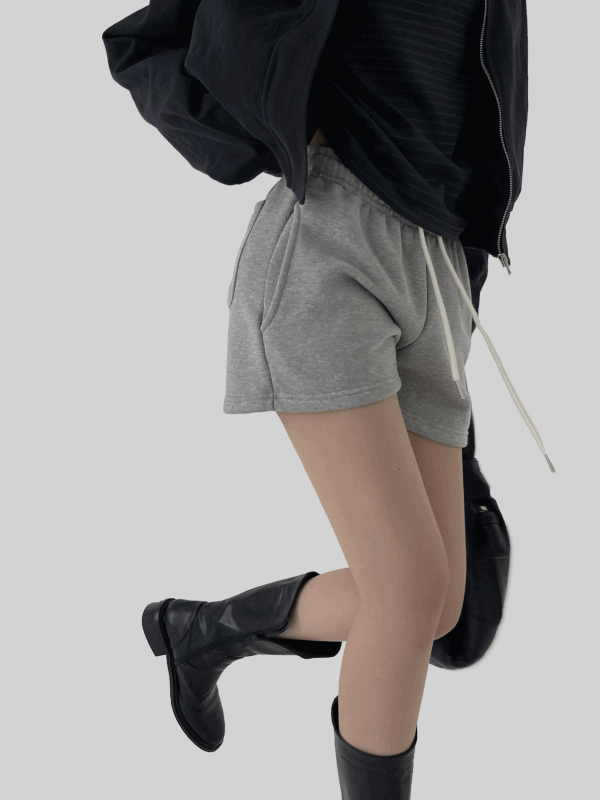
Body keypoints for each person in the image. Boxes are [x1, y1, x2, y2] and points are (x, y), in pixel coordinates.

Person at [104, 1, 553, 796]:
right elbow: (143, 45)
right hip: (329, 247)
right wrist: (276, 136)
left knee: (438, 605)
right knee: (407, 590)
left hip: (441, 271)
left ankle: (204, 631)